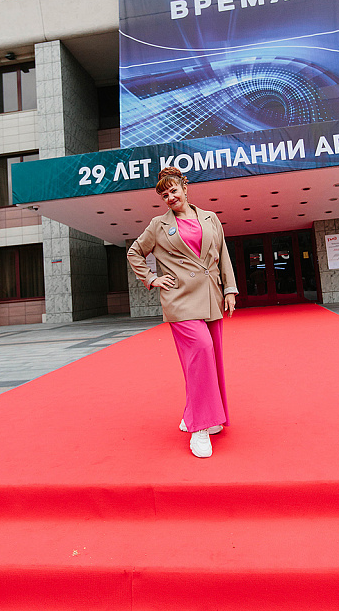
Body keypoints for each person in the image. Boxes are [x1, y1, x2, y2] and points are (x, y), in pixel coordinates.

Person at [127, 166, 238, 458]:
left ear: (185, 189)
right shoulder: (158, 225)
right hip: (180, 299)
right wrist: (152, 279)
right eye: (164, 195)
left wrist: (229, 289)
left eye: (173, 191)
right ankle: (199, 427)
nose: (170, 198)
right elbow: (134, 252)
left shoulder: (210, 218)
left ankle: (197, 413)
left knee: (210, 358)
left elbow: (223, 254)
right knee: (200, 351)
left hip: (211, 296)